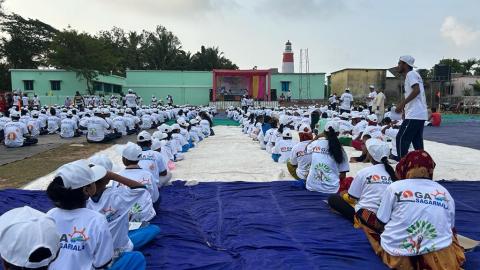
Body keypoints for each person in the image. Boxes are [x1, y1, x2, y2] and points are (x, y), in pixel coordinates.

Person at [371, 150, 465, 270]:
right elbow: (451, 226)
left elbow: (380, 222)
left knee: (364, 217)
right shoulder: (444, 192)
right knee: (449, 233)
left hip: (399, 258)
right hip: (439, 259)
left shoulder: (394, 187)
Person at [46, 160, 145, 270]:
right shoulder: (97, 219)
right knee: (137, 257)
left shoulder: (50, 215)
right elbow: (102, 263)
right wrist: (111, 175)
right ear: (86, 189)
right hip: (106, 254)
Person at [87, 156, 159, 262]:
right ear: (107, 179)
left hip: (91, 251)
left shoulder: (81, 200)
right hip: (118, 250)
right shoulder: (118, 195)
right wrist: (112, 175)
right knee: (153, 230)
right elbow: (141, 188)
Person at [327, 139, 395, 225]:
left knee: (333, 199)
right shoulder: (394, 173)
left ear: (370, 155)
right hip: (387, 218)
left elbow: (352, 199)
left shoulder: (364, 172)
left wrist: (343, 195)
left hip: (365, 217)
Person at [395, 55, 428, 159]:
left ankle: (402, 166)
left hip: (415, 114)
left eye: (399, 63)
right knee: (417, 142)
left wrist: (402, 104)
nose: (398, 65)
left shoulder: (410, 74)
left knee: (401, 138)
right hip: (419, 114)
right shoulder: (414, 74)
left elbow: (416, 90)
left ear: (405, 64)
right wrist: (405, 110)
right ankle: (424, 165)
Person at [306, 121, 350, 193]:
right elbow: (343, 175)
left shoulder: (315, 143)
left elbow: (307, 147)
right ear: (338, 133)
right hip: (331, 189)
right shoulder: (340, 150)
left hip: (311, 186)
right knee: (350, 180)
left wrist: (317, 136)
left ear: (324, 133)